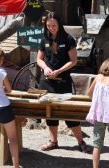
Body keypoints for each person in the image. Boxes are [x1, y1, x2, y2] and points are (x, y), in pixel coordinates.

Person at [37, 12, 90, 152]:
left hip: (63, 81)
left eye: (54, 25)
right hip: (47, 82)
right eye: (48, 25)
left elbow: (73, 60)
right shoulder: (44, 39)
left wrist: (59, 71)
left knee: (68, 112)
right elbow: (39, 59)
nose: (51, 28)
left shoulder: (68, 39)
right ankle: (53, 141)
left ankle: (81, 142)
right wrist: (45, 68)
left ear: (59, 24)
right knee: (50, 113)